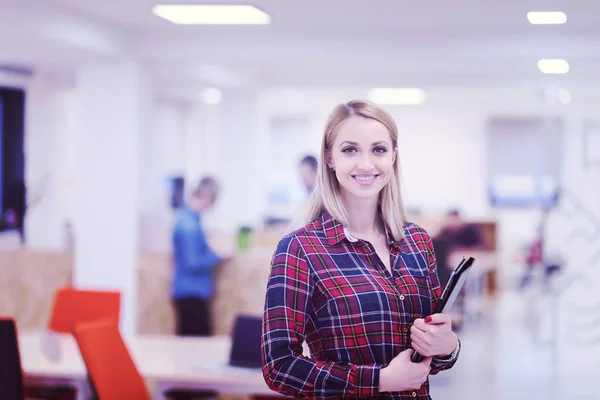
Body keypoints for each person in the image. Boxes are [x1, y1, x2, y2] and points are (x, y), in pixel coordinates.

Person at [261, 100, 460, 399]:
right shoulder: (300, 249)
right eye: (350, 150)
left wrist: (447, 346)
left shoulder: (417, 242)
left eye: (378, 149)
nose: (366, 164)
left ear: (393, 156)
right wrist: (379, 380)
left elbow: (429, 360)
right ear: (329, 158)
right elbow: (278, 367)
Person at [171, 177, 227, 336]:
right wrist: (217, 256)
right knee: (196, 347)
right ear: (207, 198)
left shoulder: (189, 219)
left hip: (189, 292)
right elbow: (193, 262)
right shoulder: (189, 225)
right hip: (191, 293)